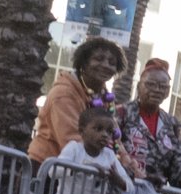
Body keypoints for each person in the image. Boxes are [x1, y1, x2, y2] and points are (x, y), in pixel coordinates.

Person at [28, 36, 124, 165]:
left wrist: (131, 166)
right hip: (48, 170)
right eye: (99, 59)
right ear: (83, 63)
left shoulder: (104, 96)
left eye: (112, 63)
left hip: (81, 174)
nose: (106, 65)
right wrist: (110, 165)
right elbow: (71, 139)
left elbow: (115, 140)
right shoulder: (63, 93)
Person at [118, 59, 181, 191]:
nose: (157, 90)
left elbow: (180, 161)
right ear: (139, 86)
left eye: (163, 87)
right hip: (122, 189)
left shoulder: (171, 124)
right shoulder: (121, 113)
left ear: (168, 92)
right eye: (151, 84)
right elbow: (111, 148)